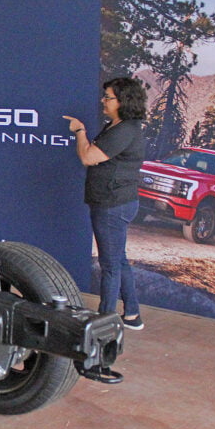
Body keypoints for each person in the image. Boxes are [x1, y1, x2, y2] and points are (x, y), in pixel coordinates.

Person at [64, 77, 147, 331]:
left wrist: (80, 132)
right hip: (113, 201)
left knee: (110, 265)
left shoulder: (125, 130)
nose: (104, 101)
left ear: (122, 101)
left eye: (108, 97)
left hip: (113, 205)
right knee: (118, 260)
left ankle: (104, 322)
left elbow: (89, 157)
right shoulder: (119, 126)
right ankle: (132, 315)